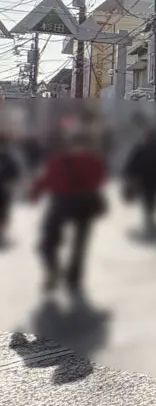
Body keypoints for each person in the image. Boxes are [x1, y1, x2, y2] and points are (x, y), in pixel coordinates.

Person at [28, 128, 107, 300]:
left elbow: (45, 179)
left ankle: (53, 269)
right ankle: (73, 279)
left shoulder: (56, 159)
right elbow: (100, 180)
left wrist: (33, 194)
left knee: (47, 242)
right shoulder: (95, 160)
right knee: (80, 244)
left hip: (60, 203)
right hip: (85, 204)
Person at [124, 127, 156, 235]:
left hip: (144, 178)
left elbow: (132, 164)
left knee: (147, 196)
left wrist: (130, 176)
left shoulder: (141, 149)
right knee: (154, 196)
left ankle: (149, 214)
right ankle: (151, 214)